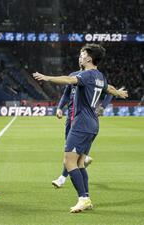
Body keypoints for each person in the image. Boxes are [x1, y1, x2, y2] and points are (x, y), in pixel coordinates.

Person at [33, 43, 128, 213]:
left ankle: (83, 198)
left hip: (82, 124)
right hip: (92, 124)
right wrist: (118, 93)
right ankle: (86, 198)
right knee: (80, 163)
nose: (80, 56)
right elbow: (109, 89)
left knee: (69, 161)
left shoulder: (88, 75)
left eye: (83, 54)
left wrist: (47, 77)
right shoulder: (100, 76)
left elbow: (69, 80)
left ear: (89, 58)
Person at [52, 66, 113, 188]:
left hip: (83, 120)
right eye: (80, 55)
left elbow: (110, 91)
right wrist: (59, 107)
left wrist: (102, 107)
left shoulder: (93, 77)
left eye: (83, 55)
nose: (81, 58)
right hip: (71, 118)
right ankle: (83, 194)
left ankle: (63, 178)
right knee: (71, 151)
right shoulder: (74, 74)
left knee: (71, 156)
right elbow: (66, 94)